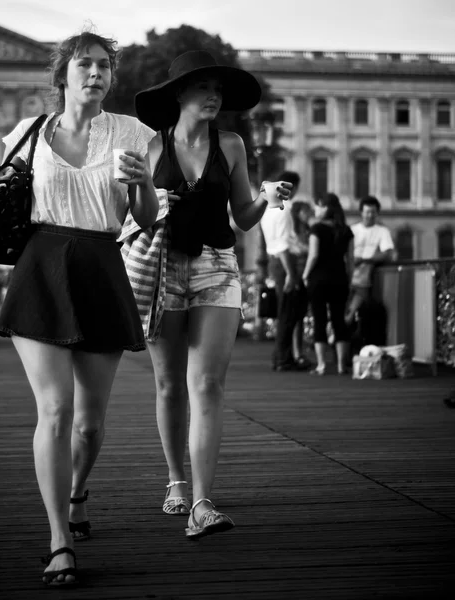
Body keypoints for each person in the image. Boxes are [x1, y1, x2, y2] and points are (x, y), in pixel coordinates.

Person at [0, 28, 159, 587]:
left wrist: (142, 187)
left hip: (99, 265)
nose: (96, 74)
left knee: (89, 426)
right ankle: (59, 539)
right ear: (62, 74)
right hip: (40, 269)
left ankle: (76, 492)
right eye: (85, 64)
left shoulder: (133, 133)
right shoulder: (27, 132)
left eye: (105, 67)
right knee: (55, 410)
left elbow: (147, 218)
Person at [129, 50, 291, 538]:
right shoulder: (152, 148)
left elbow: (241, 216)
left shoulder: (232, 144)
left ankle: (202, 502)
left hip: (217, 266)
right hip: (162, 266)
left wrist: (266, 197)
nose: (214, 96)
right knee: (169, 384)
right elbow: (138, 218)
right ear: (179, 94)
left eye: (218, 89)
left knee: (206, 385)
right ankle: (175, 482)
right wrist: (149, 194)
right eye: (203, 87)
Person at [259, 171, 310, 370]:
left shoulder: (267, 209)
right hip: (286, 264)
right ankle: (283, 358)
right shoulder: (284, 209)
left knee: (286, 312)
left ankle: (284, 357)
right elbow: (283, 245)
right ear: (292, 187)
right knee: (289, 313)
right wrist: (291, 273)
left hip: (276, 262)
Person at [302, 193, 354, 375]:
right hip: (340, 278)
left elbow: (313, 255)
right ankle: (341, 365)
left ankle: (322, 365)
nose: (316, 210)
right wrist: (350, 279)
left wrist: (305, 274)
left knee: (320, 320)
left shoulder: (317, 228)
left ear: (326, 208)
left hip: (319, 279)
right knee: (339, 320)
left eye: (318, 206)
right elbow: (351, 260)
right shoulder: (345, 230)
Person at [272, 201, 314, 371]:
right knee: (290, 316)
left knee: (297, 316)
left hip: (302, 274)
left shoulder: (305, 228)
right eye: (306, 211)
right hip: (295, 274)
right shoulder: (292, 229)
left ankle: (294, 353)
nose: (309, 214)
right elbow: (292, 248)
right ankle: (288, 355)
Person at [345, 195, 394, 325]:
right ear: (361, 212)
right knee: (343, 312)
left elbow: (387, 254)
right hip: (346, 277)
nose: (370, 215)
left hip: (364, 281)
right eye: (367, 212)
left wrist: (364, 260)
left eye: (373, 212)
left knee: (352, 314)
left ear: (377, 213)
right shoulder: (352, 230)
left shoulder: (382, 231)